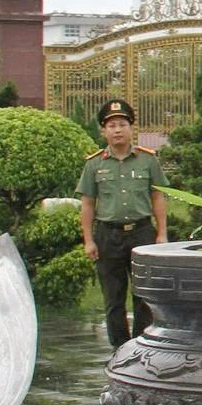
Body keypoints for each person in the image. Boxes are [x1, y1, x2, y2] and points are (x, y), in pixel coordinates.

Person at [78, 98, 167, 347]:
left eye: (122, 124)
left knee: (143, 296)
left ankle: (141, 347)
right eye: (112, 125)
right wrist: (88, 240)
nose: (117, 130)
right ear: (104, 131)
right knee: (113, 298)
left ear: (131, 128)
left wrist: (162, 234)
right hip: (108, 235)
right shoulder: (94, 164)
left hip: (141, 233)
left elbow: (158, 196)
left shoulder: (147, 160)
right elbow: (87, 203)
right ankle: (119, 350)